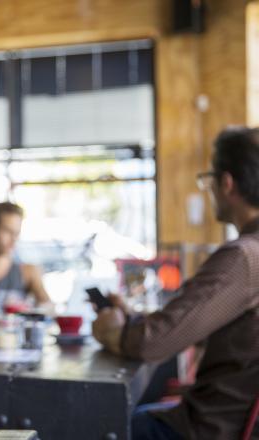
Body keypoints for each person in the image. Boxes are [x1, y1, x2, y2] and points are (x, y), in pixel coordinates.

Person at [92, 126, 259, 440]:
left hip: (216, 430)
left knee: (103, 425)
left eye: (208, 179)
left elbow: (153, 343)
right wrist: (132, 319)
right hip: (235, 421)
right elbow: (186, 323)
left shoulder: (245, 257)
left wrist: (110, 331)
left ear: (226, 183)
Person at [0, 202, 52, 329]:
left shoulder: (28, 272)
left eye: (16, 233)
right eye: (7, 231)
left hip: (15, 345)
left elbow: (50, 311)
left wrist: (28, 311)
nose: (13, 239)